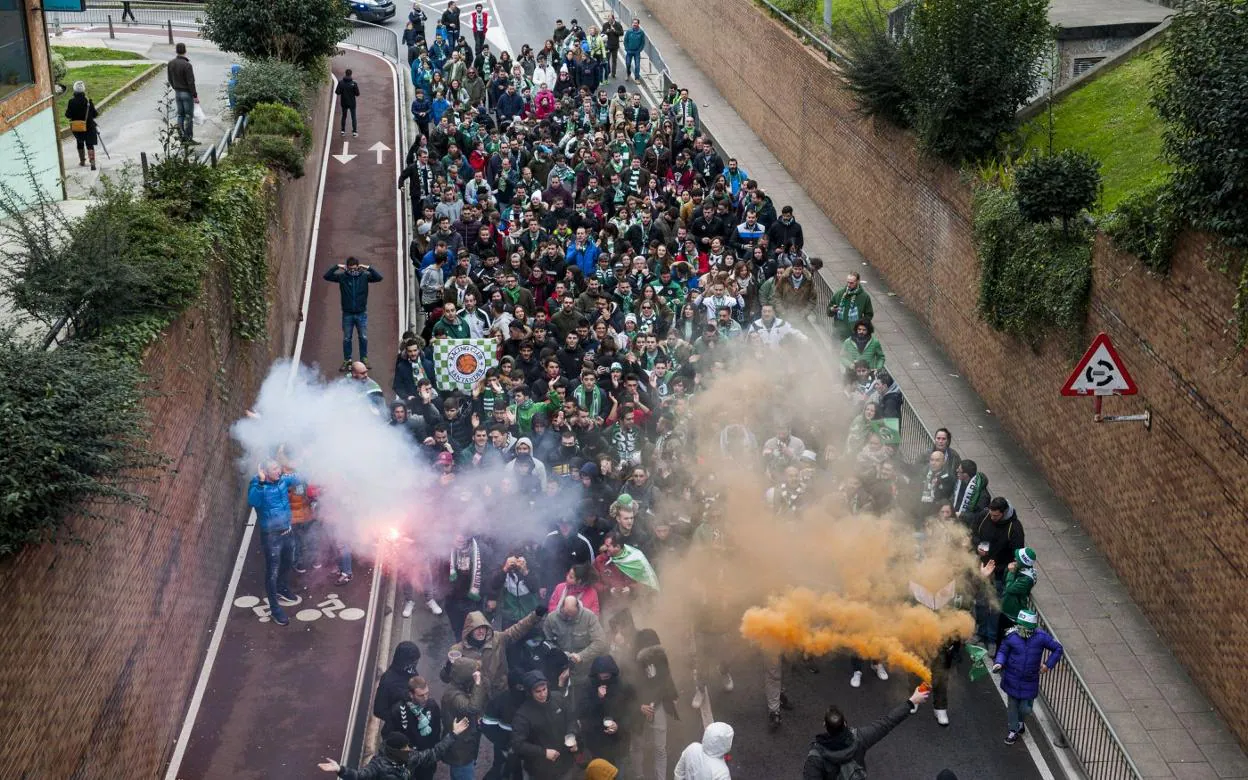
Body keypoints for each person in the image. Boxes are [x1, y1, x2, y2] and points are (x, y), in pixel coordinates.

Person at [800, 685, 930, 779]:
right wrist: (912, 701)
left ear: (824, 725)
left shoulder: (815, 758)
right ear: (845, 723)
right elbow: (887, 722)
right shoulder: (860, 738)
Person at [993, 609, 1063, 744]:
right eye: (1019, 625)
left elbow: (1058, 649)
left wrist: (1048, 665)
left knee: (1026, 708)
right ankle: (1013, 730)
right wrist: (999, 663)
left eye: (1023, 627)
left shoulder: (1041, 637)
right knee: (1012, 705)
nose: (1020, 629)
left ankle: (1020, 721)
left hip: (1030, 680)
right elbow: (1003, 651)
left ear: (1031, 628)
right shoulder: (1011, 636)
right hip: (1012, 678)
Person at [246, 459, 302, 626]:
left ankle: (282, 587)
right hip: (271, 537)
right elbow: (253, 502)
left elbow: (299, 477)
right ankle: (275, 609)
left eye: (278, 467)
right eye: (274, 469)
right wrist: (261, 483)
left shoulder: (284, 479)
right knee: (272, 572)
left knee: (289, 562)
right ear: (264, 472)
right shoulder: (257, 485)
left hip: (287, 531)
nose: (279, 471)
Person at [317, 719, 469, 778]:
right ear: (396, 750)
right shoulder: (378, 764)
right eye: (405, 747)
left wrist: (453, 734)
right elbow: (359, 776)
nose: (409, 749)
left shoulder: (411, 757)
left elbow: (434, 753)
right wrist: (340, 770)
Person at [512, 670, 578, 780]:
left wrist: (572, 734)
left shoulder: (558, 698)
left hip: (565, 763)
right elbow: (517, 744)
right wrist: (543, 753)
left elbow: (571, 719)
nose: (543, 694)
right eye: (538, 691)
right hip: (540, 770)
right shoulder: (523, 715)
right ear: (530, 692)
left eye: (544, 689)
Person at [324, 256, 384, 371]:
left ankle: (364, 359)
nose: (353, 271)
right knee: (347, 338)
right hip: (347, 314)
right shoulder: (342, 277)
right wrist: (337, 266)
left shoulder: (364, 277)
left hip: (361, 313)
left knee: (363, 337)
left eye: (355, 269)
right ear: (346, 268)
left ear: (358, 268)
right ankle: (347, 360)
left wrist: (368, 268)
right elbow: (327, 276)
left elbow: (379, 277)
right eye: (350, 269)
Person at [442, 657, 489, 780]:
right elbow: (472, 708)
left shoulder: (457, 689)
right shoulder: (454, 696)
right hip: (461, 751)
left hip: (463, 747)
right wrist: (478, 684)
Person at [375, 641, 423, 720]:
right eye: (413, 662)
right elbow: (379, 710)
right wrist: (399, 720)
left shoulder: (411, 671)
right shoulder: (387, 681)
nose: (414, 665)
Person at [826, 271, 874, 341]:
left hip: (854, 334)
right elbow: (828, 311)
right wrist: (832, 309)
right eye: (848, 282)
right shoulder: (839, 294)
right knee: (835, 351)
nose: (848, 285)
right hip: (838, 333)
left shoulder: (864, 297)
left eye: (851, 283)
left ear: (857, 281)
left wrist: (861, 326)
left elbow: (869, 314)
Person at [166, 42, 198, 143]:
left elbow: (170, 79)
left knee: (180, 115)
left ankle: (181, 136)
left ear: (176, 51)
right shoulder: (187, 65)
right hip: (187, 93)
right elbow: (191, 82)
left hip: (178, 92)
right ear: (185, 50)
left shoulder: (171, 63)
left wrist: (175, 88)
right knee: (189, 116)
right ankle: (188, 138)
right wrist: (195, 95)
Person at [65, 81, 100, 171]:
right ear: (83, 90)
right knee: (90, 145)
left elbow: (68, 115)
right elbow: (95, 114)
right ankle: (92, 163)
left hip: (77, 127)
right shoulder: (88, 101)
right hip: (89, 126)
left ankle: (82, 161)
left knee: (80, 143)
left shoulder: (71, 102)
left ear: (74, 90)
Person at [337, 68, 361, 137]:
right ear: (351, 74)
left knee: (344, 116)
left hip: (344, 102)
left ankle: (343, 131)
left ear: (345, 73)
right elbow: (357, 94)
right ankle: (354, 132)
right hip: (352, 103)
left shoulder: (341, 82)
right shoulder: (354, 83)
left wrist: (343, 91)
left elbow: (337, 92)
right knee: (353, 117)